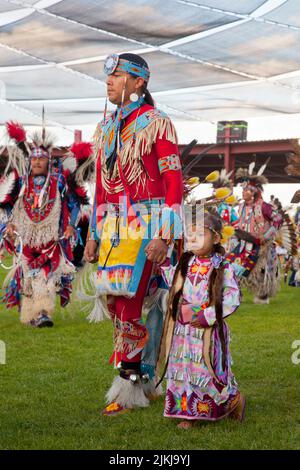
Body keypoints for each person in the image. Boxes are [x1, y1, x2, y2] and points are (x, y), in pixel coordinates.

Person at [84, 53, 183, 415]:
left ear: (138, 82)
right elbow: (101, 187)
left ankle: (129, 389)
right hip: (113, 229)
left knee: (127, 304)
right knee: (116, 303)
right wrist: (93, 233)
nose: (109, 81)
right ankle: (145, 373)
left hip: (147, 225)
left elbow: (174, 181)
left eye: (117, 75)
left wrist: (166, 235)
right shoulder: (105, 128)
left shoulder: (157, 123)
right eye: (108, 76)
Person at [158, 210, 244, 428]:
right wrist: (163, 263)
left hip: (207, 331)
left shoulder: (223, 266)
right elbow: (174, 283)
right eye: (190, 234)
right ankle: (189, 412)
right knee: (183, 368)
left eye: (200, 233)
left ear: (216, 238)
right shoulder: (185, 263)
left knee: (208, 370)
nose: (193, 238)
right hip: (183, 331)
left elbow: (232, 297)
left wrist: (207, 315)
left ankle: (232, 399)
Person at [1, 122, 91, 327]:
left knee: (48, 275)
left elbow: (73, 203)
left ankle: (43, 313)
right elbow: (12, 204)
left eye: (42, 158)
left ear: (48, 161)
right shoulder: (23, 181)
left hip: (51, 238)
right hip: (27, 236)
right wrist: (10, 225)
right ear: (30, 161)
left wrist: (69, 226)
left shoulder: (59, 181)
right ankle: (33, 313)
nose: (38, 162)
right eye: (34, 159)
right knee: (30, 277)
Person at [232, 163, 283, 304]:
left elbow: (278, 219)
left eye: (247, 190)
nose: (243, 192)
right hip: (243, 244)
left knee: (261, 271)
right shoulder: (241, 206)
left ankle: (262, 295)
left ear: (254, 192)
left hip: (261, 247)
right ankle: (236, 294)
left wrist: (266, 236)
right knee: (234, 268)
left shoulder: (264, 206)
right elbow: (241, 222)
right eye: (243, 189)